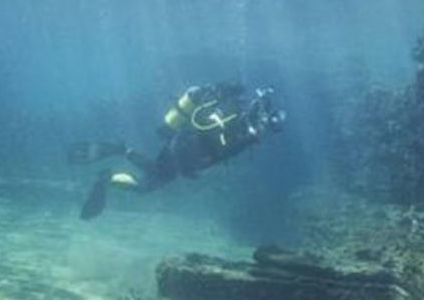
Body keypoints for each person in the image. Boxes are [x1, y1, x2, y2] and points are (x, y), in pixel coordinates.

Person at [68, 82, 286, 220]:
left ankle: (122, 149)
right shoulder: (243, 129)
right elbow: (225, 153)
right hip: (188, 156)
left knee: (156, 170)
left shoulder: (232, 111)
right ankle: (108, 177)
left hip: (179, 141)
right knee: (146, 186)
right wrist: (252, 139)